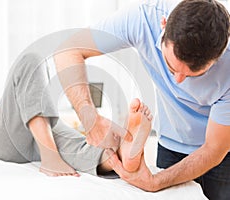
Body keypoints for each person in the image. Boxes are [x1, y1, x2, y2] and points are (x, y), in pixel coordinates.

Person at [54, 0, 230, 199]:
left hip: (222, 152)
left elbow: (214, 149)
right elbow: (68, 50)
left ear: (219, 56)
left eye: (193, 75)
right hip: (171, 142)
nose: (178, 82)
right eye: (171, 68)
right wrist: (89, 117)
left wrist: (155, 182)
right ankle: (128, 152)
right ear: (163, 26)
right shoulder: (144, 19)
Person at [0, 53, 153, 177]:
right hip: (5, 143)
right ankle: (49, 155)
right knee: (31, 59)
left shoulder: (26, 101)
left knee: (74, 143)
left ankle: (117, 158)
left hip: (35, 137)